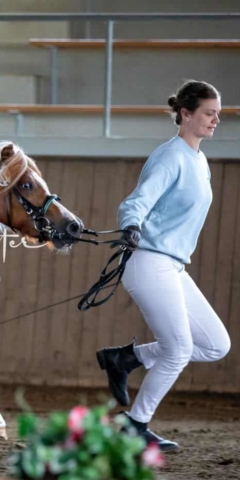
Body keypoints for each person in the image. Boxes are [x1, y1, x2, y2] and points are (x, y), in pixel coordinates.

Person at [96, 80, 231, 452]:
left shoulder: (199, 160)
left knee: (216, 345)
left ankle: (126, 358)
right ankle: (135, 425)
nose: (216, 119)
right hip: (150, 261)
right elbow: (136, 202)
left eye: (218, 113)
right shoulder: (170, 156)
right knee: (177, 350)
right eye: (209, 113)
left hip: (173, 266)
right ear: (185, 114)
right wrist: (132, 226)